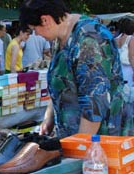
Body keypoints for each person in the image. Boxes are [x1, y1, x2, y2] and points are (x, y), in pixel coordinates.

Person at [20, 0, 128, 137]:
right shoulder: (59, 38)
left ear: (45, 20)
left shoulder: (89, 40)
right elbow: (61, 85)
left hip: (98, 141)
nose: (36, 34)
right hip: (72, 136)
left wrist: (79, 150)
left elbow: (94, 106)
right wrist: (49, 118)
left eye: (34, 29)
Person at [115, 18, 134, 87]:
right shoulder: (130, 39)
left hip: (118, 68)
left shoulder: (116, 39)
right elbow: (131, 57)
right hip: (128, 69)